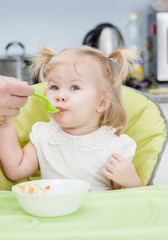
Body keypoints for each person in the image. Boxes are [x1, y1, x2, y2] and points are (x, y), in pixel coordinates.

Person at [0, 45, 142, 191]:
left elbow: (127, 198)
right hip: (53, 212)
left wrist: (131, 182)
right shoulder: (43, 135)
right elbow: (16, 170)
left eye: (74, 87)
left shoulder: (114, 147)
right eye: (54, 87)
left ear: (102, 103)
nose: (60, 96)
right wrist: (4, 124)